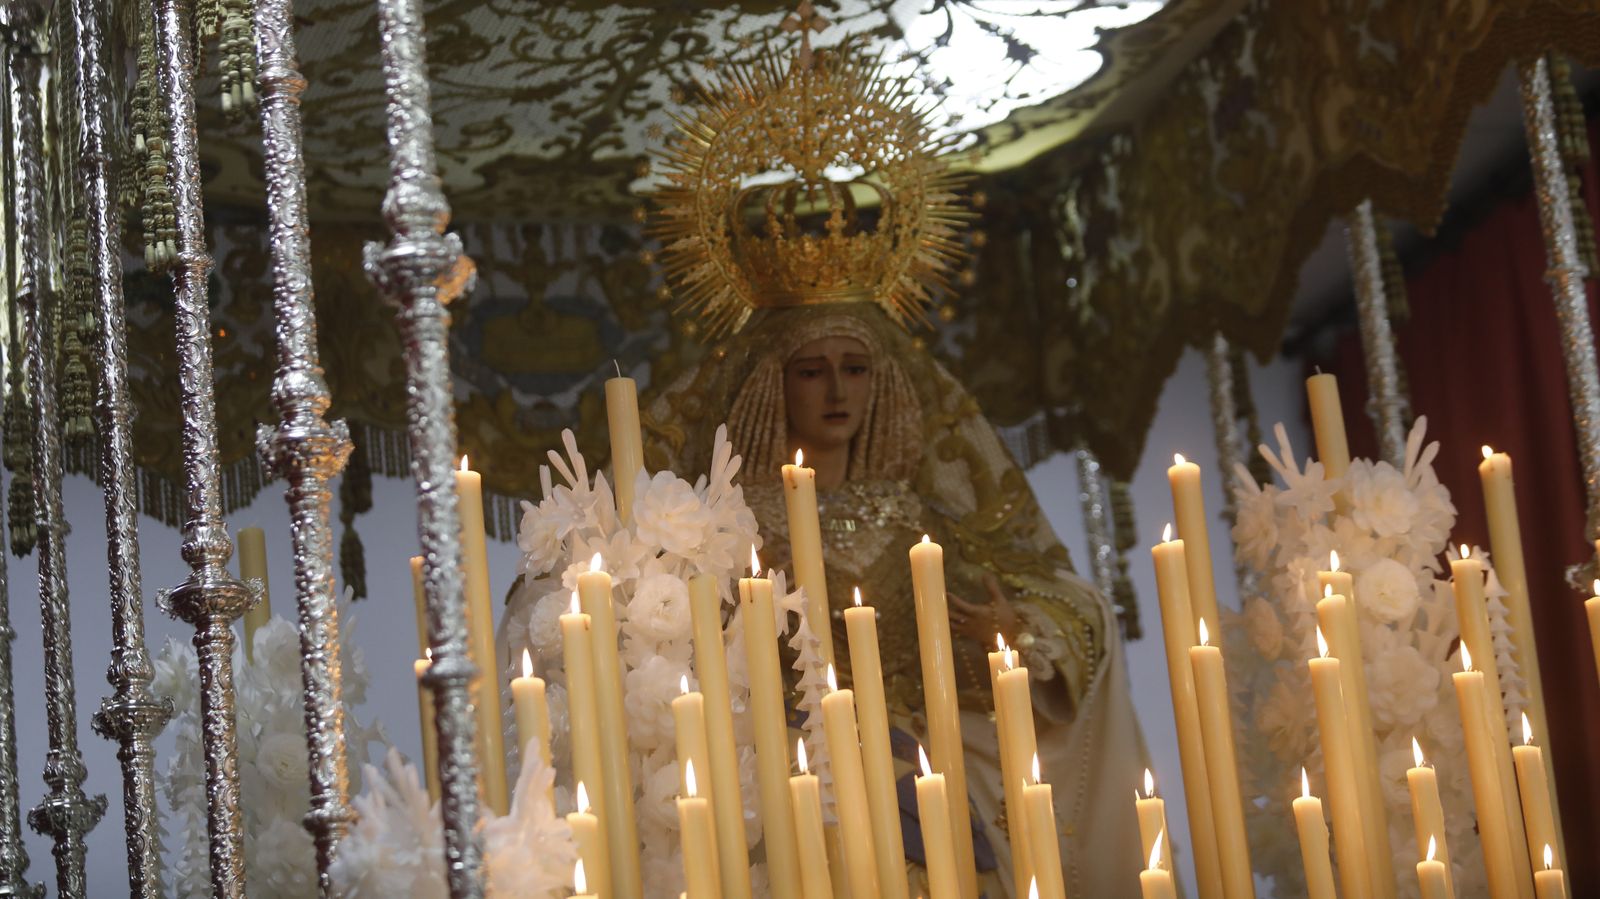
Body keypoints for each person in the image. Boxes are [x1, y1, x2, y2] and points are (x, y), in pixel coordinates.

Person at [644, 302, 1149, 898]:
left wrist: (1016, 633)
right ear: (773, 385)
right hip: (798, 778)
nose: (837, 390)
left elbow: (1044, 597)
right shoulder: (730, 526)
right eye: (812, 371)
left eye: (856, 369)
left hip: (923, 770)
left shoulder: (915, 517)